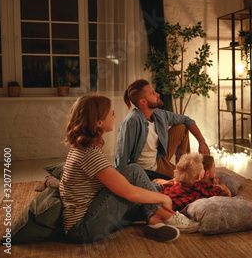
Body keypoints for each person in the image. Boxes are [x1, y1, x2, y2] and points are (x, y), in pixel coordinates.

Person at [59, 94, 199, 244]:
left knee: (145, 190)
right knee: (133, 172)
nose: (115, 116)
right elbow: (128, 192)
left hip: (93, 217)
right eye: (112, 113)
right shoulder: (88, 154)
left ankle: (155, 222)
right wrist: (164, 198)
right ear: (99, 122)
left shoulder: (85, 148)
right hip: (83, 229)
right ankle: (169, 216)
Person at [114, 79, 210, 180]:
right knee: (187, 181)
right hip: (144, 170)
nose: (158, 94)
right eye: (153, 94)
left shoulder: (158, 114)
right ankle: (183, 176)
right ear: (143, 101)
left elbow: (187, 120)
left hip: (158, 159)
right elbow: (121, 156)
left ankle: (185, 167)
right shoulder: (132, 122)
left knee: (182, 127)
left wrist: (202, 141)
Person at [161, 153, 229, 212]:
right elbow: (210, 194)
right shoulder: (196, 189)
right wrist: (218, 187)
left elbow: (206, 187)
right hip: (171, 204)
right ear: (198, 177)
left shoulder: (183, 182)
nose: (203, 169)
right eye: (202, 168)